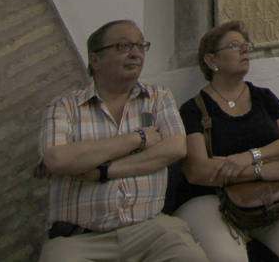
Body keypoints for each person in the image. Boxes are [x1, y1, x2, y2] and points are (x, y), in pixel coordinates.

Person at [36, 20, 207, 261]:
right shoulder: (64, 107)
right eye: (123, 46)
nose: (136, 53)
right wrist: (138, 138)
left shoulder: (157, 98)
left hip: (150, 230)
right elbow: (57, 159)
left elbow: (175, 148)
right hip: (80, 238)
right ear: (95, 60)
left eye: (140, 46)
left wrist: (103, 171)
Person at [171, 21, 279, 262]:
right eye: (234, 46)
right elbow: (197, 170)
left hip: (270, 192)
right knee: (227, 257)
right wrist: (261, 170)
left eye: (246, 45)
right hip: (209, 199)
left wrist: (247, 157)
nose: (245, 50)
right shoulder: (193, 109)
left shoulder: (264, 97)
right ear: (211, 61)